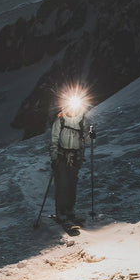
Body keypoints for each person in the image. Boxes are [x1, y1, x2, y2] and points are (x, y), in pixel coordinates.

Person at [50, 92, 92, 230]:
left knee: (71, 184)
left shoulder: (82, 120)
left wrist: (90, 135)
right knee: (62, 184)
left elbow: (86, 138)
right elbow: (54, 140)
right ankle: (61, 211)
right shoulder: (60, 120)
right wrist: (54, 157)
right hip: (62, 156)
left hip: (74, 156)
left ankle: (69, 210)